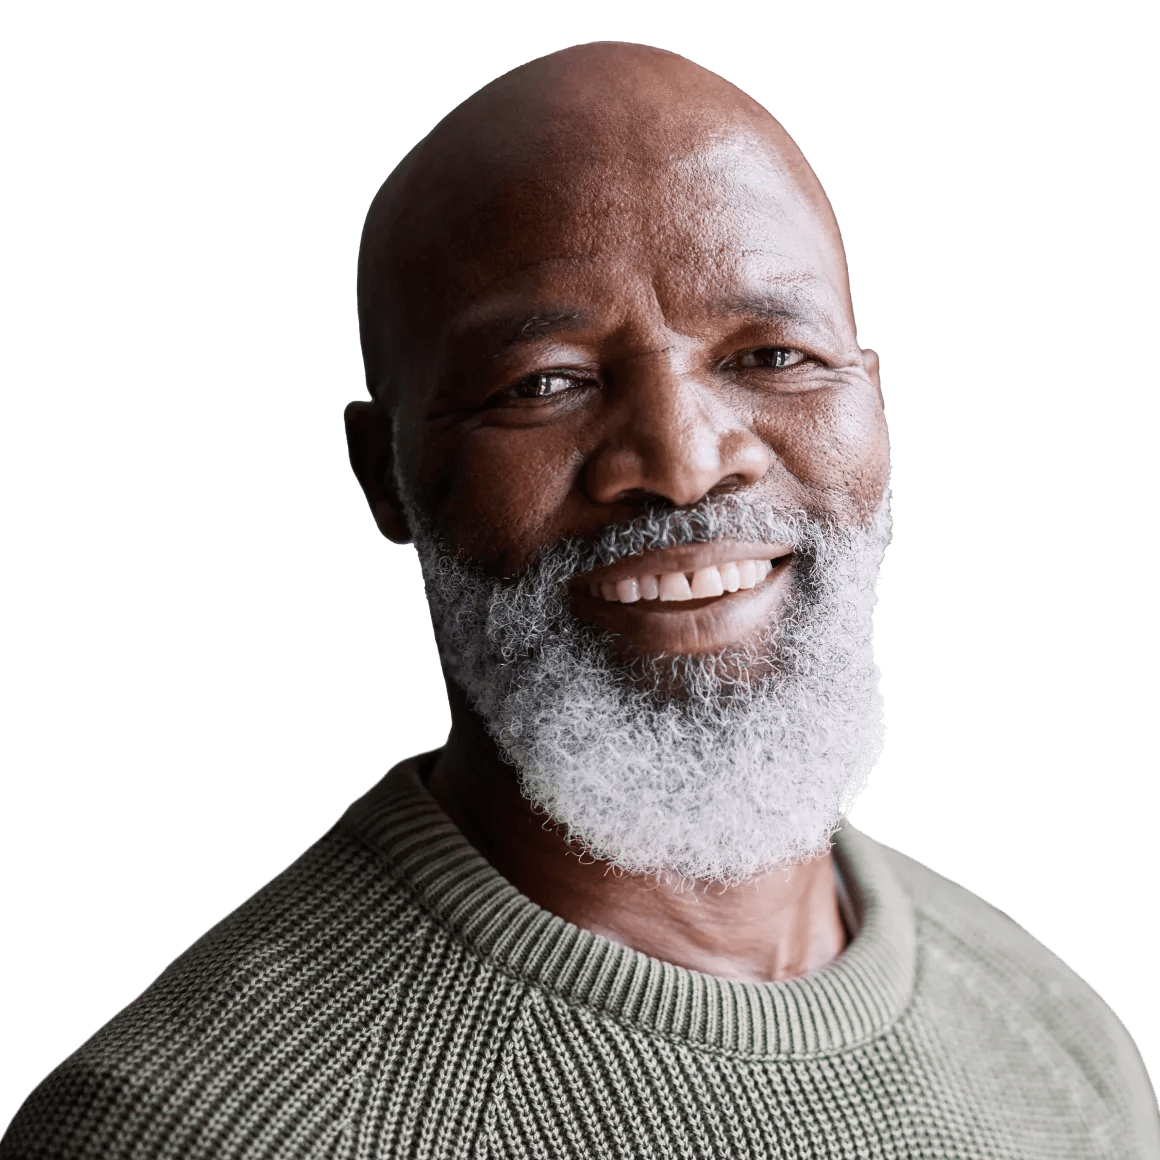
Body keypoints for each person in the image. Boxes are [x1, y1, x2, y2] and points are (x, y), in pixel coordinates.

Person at [3, 41, 1156, 1160]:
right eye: (543, 382)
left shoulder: (1056, 1036)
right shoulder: (195, 1130)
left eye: (772, 356)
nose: (682, 458)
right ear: (385, 474)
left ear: (872, 405)